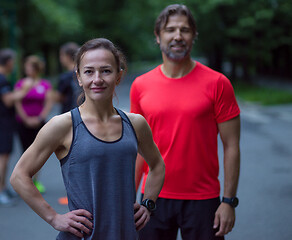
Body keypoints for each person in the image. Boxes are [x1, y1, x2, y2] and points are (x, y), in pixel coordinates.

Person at [10, 38, 165, 239]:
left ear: (119, 76)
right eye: (89, 71)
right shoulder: (63, 125)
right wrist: (54, 217)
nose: (97, 79)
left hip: (126, 234)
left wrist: (148, 204)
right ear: (79, 77)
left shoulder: (135, 123)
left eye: (106, 71)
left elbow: (157, 166)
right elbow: (19, 176)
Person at [130, 4, 240, 240]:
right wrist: (128, 198)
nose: (177, 35)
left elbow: (231, 145)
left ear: (194, 36)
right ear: (158, 37)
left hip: (203, 200)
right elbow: (138, 147)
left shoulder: (218, 83)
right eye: (170, 30)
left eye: (185, 30)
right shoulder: (140, 86)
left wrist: (229, 201)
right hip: (153, 197)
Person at [14, 55, 53, 193]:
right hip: (23, 122)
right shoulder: (21, 84)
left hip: (39, 122)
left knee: (37, 152)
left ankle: (35, 181)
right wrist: (25, 118)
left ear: (36, 69)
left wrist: (40, 117)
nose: (27, 69)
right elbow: (17, 102)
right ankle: (23, 180)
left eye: (29, 67)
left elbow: (48, 102)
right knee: (25, 151)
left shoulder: (44, 84)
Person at [0, 48, 33, 206]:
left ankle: (4, 188)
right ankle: (1, 190)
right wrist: (24, 90)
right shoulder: (2, 80)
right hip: (3, 123)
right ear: (7, 62)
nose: (14, 65)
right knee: (3, 157)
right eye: (13, 62)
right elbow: (8, 101)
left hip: (5, 123)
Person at [56, 42, 81, 113]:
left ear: (68, 56)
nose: (60, 59)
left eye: (62, 55)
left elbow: (58, 98)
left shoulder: (65, 77)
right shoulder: (84, 73)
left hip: (69, 114)